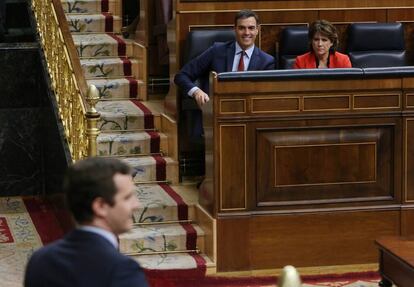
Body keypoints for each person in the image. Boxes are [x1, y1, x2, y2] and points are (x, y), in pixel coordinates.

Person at [24, 157, 148, 287]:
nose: (136, 205)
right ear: (100, 206)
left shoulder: (40, 260)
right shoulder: (121, 269)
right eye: (127, 198)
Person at [174, 9, 275, 107]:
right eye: (241, 28)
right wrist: (196, 92)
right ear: (234, 29)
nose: (246, 33)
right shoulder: (216, 51)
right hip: (215, 111)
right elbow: (181, 76)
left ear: (258, 30)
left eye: (251, 28)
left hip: (247, 114)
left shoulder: (266, 61)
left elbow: (265, 98)